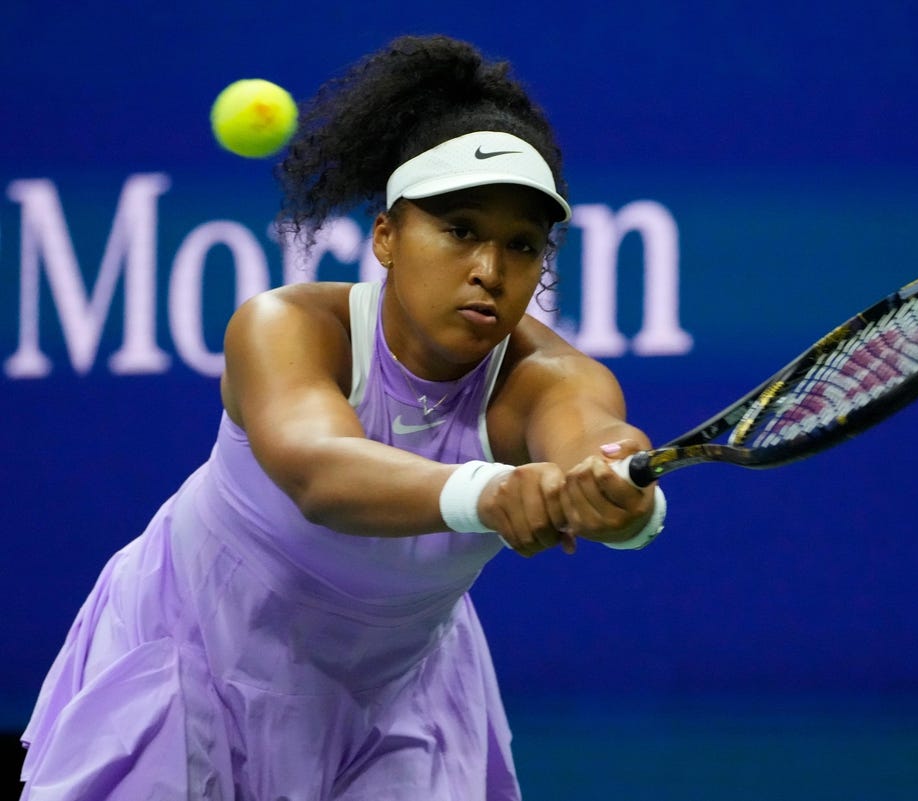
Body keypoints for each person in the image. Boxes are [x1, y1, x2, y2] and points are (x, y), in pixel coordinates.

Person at [19, 34, 667, 800]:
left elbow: (594, 439)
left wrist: (620, 495)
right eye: (459, 230)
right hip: (194, 654)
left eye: (521, 246)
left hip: (395, 696)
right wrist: (491, 491)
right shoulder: (284, 327)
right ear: (386, 237)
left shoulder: (549, 376)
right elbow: (320, 473)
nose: (490, 271)